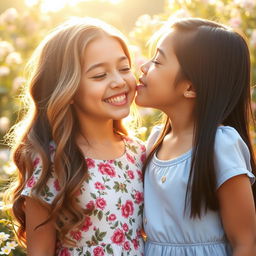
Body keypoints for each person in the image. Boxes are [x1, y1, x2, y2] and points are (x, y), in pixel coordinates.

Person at [6, 18, 145, 256]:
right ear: (67, 90)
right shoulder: (51, 162)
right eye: (100, 75)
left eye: (124, 68)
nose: (119, 81)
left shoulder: (140, 152)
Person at [135, 18, 256, 255]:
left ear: (191, 87)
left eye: (158, 61)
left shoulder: (219, 145)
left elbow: (246, 242)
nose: (144, 67)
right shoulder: (156, 140)